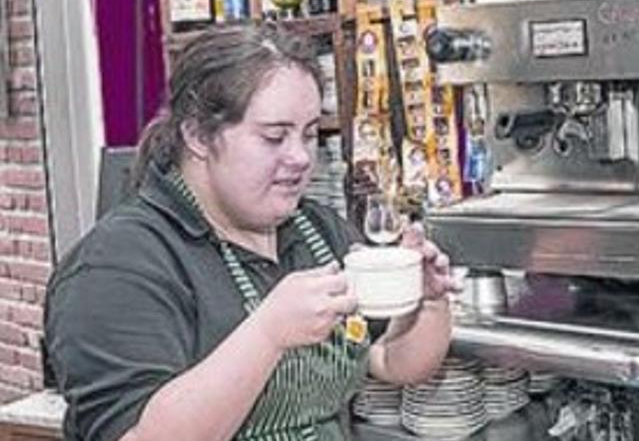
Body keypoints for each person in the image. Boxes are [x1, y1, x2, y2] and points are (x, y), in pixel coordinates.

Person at [45, 26, 456, 440]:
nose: (300, 157)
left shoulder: (315, 230)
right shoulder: (115, 268)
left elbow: (391, 362)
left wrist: (428, 301)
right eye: (274, 137)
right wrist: (267, 333)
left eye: (309, 134)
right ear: (198, 135)